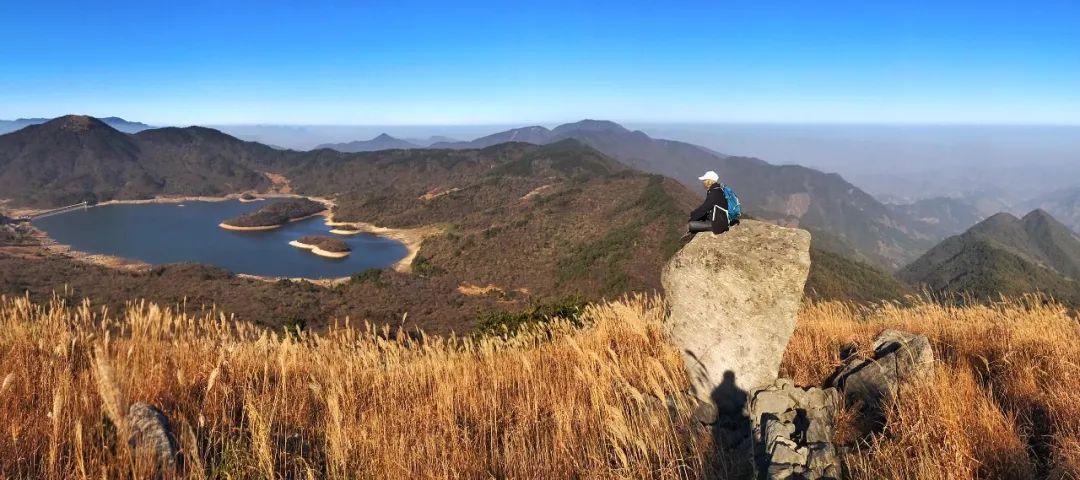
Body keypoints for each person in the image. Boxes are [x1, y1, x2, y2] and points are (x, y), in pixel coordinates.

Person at [683, 170, 737, 240]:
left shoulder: (714, 193)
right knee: (697, 219)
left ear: (709, 181)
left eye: (704, 180)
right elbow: (705, 207)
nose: (703, 182)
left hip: (718, 225)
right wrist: (693, 214)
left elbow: (704, 209)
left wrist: (692, 219)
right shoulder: (717, 190)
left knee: (690, 225)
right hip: (720, 220)